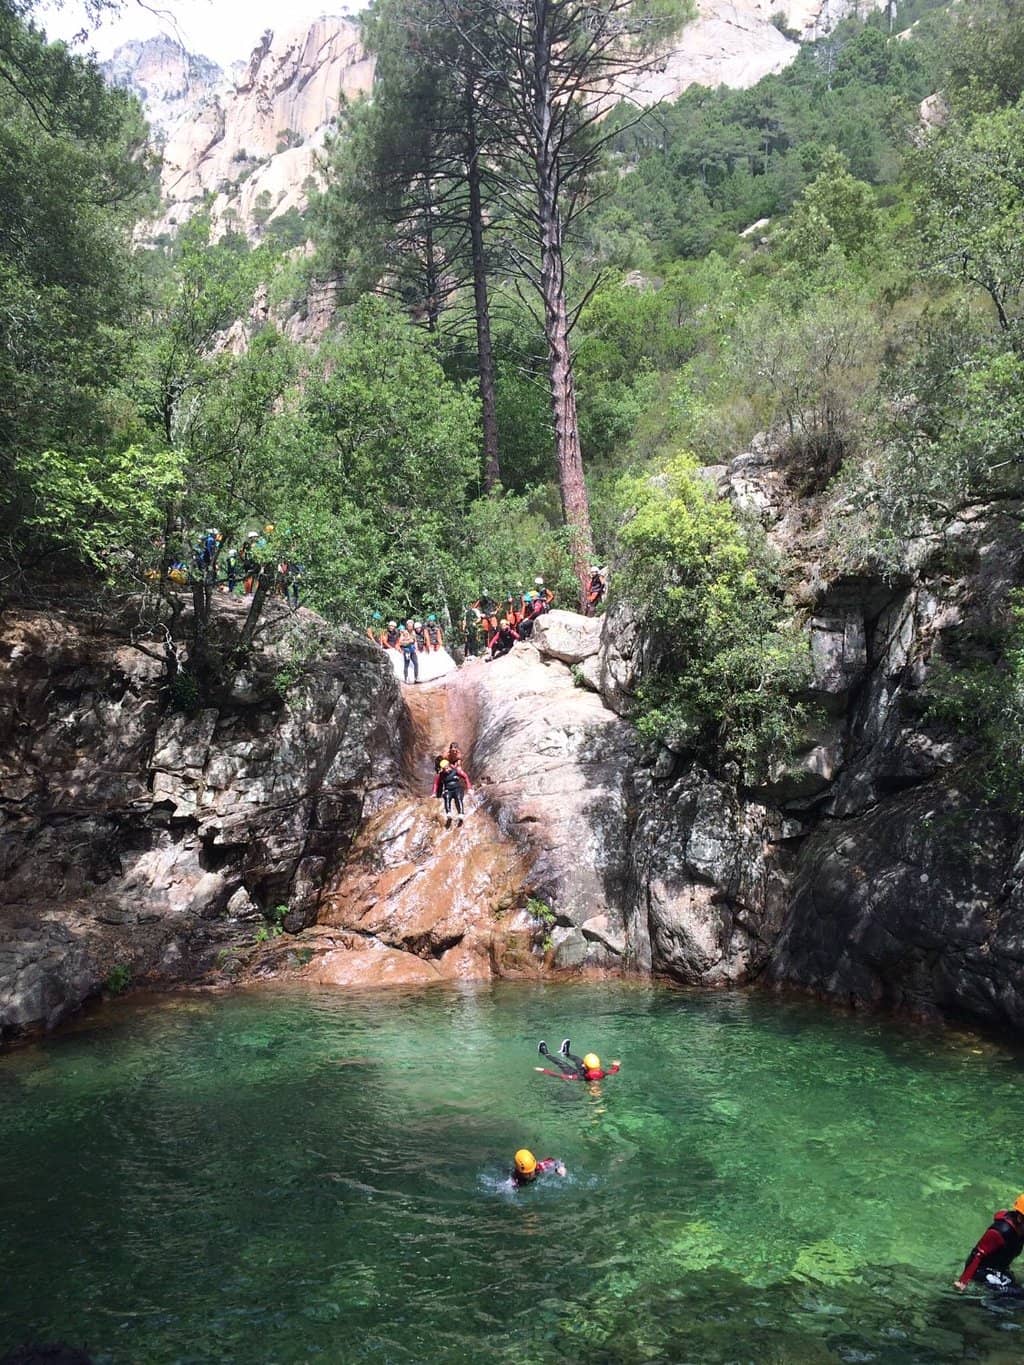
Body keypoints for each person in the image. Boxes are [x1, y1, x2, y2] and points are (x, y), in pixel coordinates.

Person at [955, 1196, 1024, 1294]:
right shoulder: (1000, 1232)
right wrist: (962, 1282)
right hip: (983, 1271)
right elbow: (977, 1255)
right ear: (1020, 1218)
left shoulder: (1021, 1230)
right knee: (1017, 1295)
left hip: (1001, 1270)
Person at [535, 1039, 621, 1083]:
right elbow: (613, 1071)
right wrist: (616, 1066)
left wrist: (544, 1070)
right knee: (579, 1060)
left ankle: (545, 1053)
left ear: (585, 1066)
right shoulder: (602, 1073)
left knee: (562, 1063)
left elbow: (560, 1076)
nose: (583, 1064)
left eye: (584, 1064)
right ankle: (566, 1053)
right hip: (585, 1073)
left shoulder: (579, 1077)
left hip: (574, 1074)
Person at [432, 757, 472, 826]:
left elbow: (465, 776)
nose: (447, 770)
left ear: (449, 766)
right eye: (445, 769)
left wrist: (469, 788)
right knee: (446, 797)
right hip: (448, 789)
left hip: (457, 788)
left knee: (458, 798)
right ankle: (448, 813)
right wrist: (434, 793)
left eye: (447, 768)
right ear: (442, 769)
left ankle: (461, 813)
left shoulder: (456, 770)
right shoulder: (440, 775)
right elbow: (436, 784)